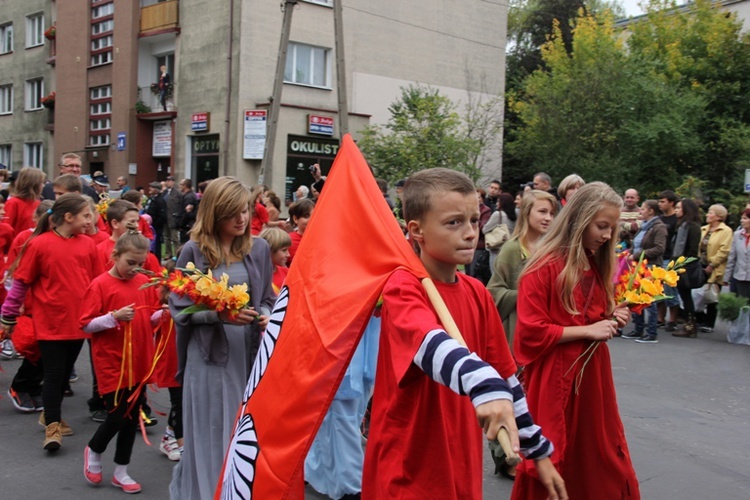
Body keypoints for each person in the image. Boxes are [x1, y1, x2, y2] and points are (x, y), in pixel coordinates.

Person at [362, 168, 565, 499]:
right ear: (417, 230)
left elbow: (507, 379)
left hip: (461, 460)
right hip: (408, 466)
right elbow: (431, 345)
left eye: (474, 220)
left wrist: (537, 450)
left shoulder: (477, 293)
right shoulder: (403, 286)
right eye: (454, 222)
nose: (471, 233)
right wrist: (484, 383)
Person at [512, 182, 639, 499]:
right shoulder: (543, 268)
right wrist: (589, 330)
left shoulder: (595, 265)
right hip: (556, 378)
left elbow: (594, 316)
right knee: (556, 456)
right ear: (579, 219)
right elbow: (530, 332)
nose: (608, 235)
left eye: (611, 228)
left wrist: (613, 316)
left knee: (602, 455)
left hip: (592, 379)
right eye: (602, 226)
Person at [168, 176, 275, 500]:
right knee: (213, 432)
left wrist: (267, 315)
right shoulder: (193, 251)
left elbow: (268, 297)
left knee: (242, 435)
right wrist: (218, 315)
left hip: (250, 357)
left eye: (244, 210)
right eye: (233, 213)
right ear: (214, 214)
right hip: (209, 358)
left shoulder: (259, 248)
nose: (242, 219)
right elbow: (178, 308)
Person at [1, 193, 104, 451]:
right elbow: (21, 282)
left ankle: (49, 414)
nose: (90, 220)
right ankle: (53, 428)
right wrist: (8, 315)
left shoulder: (87, 244)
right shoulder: (40, 244)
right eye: (85, 215)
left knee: (62, 374)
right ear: (68, 218)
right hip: (50, 322)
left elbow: (96, 283)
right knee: (54, 374)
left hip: (79, 323)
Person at [80, 230, 160, 494]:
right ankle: (94, 450)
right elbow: (87, 324)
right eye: (130, 262)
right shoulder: (100, 284)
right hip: (112, 362)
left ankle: (121, 471)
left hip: (138, 361)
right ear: (115, 255)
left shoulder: (142, 284)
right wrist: (113, 317)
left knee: (131, 418)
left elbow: (147, 320)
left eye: (141, 264)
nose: (135, 269)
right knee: (116, 416)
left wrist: (164, 314)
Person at [488, 189, 557, 348]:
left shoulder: (551, 250)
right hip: (518, 329)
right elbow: (494, 291)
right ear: (526, 213)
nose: (548, 218)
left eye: (552, 214)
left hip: (546, 327)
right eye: (542, 212)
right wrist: (526, 295)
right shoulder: (512, 249)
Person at [621, 200, 668, 344]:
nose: (640, 212)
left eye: (643, 209)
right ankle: (638, 328)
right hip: (637, 266)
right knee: (636, 298)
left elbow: (659, 248)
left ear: (651, 211)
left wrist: (636, 255)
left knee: (650, 300)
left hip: (651, 267)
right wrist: (627, 253)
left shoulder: (659, 227)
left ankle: (651, 332)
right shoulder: (644, 227)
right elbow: (636, 245)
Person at [695, 204, 732, 333]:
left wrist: (712, 265)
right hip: (700, 265)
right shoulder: (704, 229)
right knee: (697, 294)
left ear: (718, 216)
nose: (707, 215)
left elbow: (724, 250)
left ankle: (709, 323)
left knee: (712, 295)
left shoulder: (726, 231)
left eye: (710, 213)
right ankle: (699, 318)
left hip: (714, 267)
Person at [672, 199, 703, 338]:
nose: (676, 210)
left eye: (679, 208)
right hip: (678, 264)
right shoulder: (681, 225)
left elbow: (692, 250)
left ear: (687, 209)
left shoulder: (693, 227)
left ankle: (690, 324)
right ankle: (689, 323)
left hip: (685, 266)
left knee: (686, 296)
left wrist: (681, 264)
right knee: (684, 296)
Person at [657, 190, 680, 331]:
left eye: (663, 201)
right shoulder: (660, 219)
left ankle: (673, 319)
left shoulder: (676, 220)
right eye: (659, 201)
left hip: (670, 258)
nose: (660, 204)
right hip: (660, 258)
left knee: (670, 289)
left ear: (671, 202)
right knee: (659, 290)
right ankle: (660, 318)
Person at [5, 166, 45, 236]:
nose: (43, 186)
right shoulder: (13, 203)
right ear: (33, 184)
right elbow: (6, 229)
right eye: (41, 182)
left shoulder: (38, 203)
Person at [723, 208, 750, 300]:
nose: (742, 220)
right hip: (740, 277)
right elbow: (732, 257)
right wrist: (726, 277)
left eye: (745, 218)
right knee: (742, 306)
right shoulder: (737, 235)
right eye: (741, 218)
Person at [259, 227, 291, 295]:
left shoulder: (287, 273)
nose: (288, 255)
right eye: (284, 250)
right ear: (269, 250)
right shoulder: (257, 276)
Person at [287, 198, 315, 267]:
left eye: (314, 216)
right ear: (295, 219)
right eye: (306, 216)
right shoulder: (288, 240)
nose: (311, 220)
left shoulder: (322, 239)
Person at [144, 182, 167, 261]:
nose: (149, 189)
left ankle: (156, 261)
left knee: (156, 245)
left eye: (152, 187)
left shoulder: (160, 200)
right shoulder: (151, 199)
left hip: (156, 227)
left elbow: (162, 216)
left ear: (157, 190)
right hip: (149, 226)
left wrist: (155, 225)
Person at [163, 176, 183, 259]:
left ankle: (177, 253)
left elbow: (181, 206)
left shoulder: (177, 193)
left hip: (174, 218)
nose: (168, 182)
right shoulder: (164, 193)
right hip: (165, 218)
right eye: (167, 181)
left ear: (173, 182)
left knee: (175, 238)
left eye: (170, 181)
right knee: (166, 237)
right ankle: (168, 253)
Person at [178, 178, 198, 243]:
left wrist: (181, 224)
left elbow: (186, 213)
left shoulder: (188, 197)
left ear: (185, 186)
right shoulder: (188, 196)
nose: (179, 186)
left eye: (181, 184)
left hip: (187, 226)